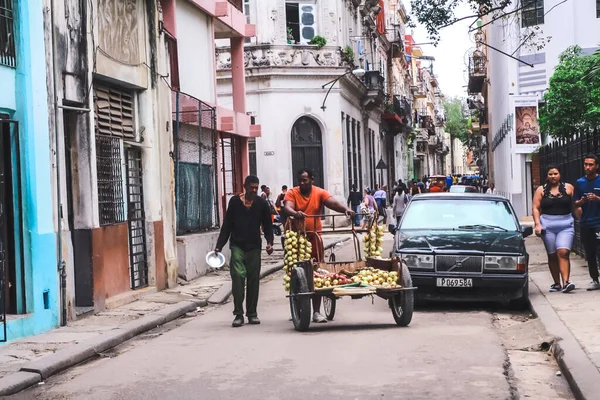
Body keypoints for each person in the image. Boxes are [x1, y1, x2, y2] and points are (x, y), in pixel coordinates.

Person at [283, 168, 355, 323]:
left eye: (305, 180)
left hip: (315, 238)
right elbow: (287, 207)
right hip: (297, 239)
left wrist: (346, 210)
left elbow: (332, 203)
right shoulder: (292, 193)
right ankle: (297, 304)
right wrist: (295, 213)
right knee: (296, 272)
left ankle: (316, 311)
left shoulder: (319, 192)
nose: (302, 183)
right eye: (300, 181)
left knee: (317, 271)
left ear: (312, 179)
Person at [215, 175, 274, 327]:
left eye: (256, 187)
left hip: (254, 246)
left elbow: (267, 225)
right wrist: (219, 245)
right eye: (251, 187)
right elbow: (227, 225)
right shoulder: (234, 202)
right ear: (245, 186)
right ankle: (238, 314)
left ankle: (252, 313)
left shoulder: (262, 203)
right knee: (238, 276)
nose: (254, 190)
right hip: (237, 246)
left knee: (253, 280)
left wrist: (269, 242)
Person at [533, 166, 576, 293]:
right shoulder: (541, 190)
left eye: (555, 173)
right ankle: (557, 283)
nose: (553, 176)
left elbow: (575, 205)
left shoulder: (569, 188)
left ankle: (566, 282)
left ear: (560, 174)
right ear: (547, 176)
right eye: (550, 174)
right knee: (552, 255)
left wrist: (580, 214)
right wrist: (537, 224)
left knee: (563, 252)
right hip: (548, 225)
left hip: (566, 224)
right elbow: (535, 208)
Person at [574, 154, 600, 291]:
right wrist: (581, 202)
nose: (587, 167)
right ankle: (594, 279)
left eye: (590, 165)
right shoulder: (580, 182)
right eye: (585, 164)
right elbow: (575, 203)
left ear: (596, 166)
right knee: (589, 253)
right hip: (585, 223)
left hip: (598, 223)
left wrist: (597, 198)